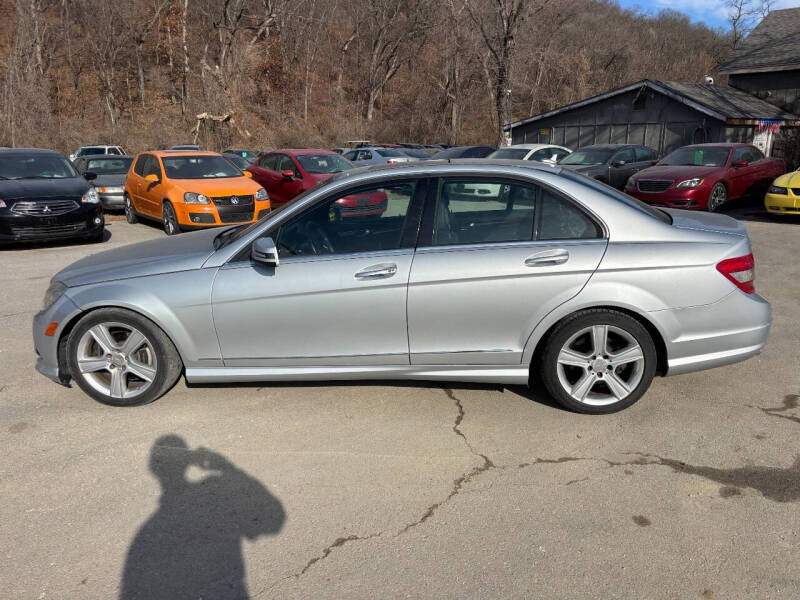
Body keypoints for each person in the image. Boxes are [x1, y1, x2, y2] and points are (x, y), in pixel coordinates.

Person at [120, 435, 285, 599]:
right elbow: (275, 519)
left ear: (152, 469)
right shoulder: (213, 491)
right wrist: (228, 468)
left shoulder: (145, 535)